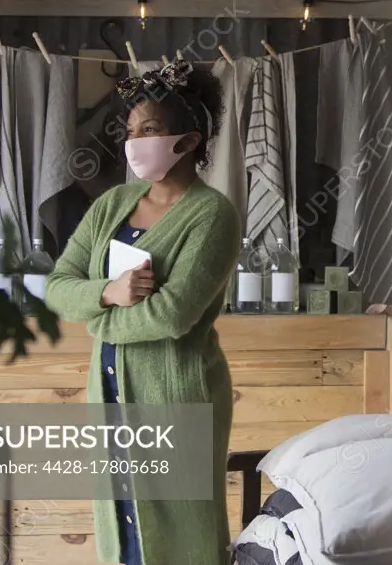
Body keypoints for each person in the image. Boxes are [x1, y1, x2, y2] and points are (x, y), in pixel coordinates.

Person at [46, 57, 240, 565]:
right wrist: (108, 293)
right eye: (131, 131)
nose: (135, 142)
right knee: (122, 524)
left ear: (190, 139)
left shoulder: (212, 215)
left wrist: (96, 318)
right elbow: (57, 287)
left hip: (176, 393)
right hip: (107, 392)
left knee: (183, 529)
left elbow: (172, 316)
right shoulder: (112, 204)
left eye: (149, 130)